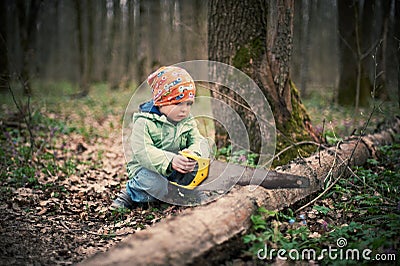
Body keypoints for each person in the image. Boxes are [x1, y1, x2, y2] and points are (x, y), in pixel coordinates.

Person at [111, 66, 209, 209]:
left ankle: (189, 191)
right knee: (155, 185)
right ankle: (130, 193)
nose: (184, 109)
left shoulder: (186, 121)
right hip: (147, 168)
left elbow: (198, 140)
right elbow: (142, 151)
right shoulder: (144, 121)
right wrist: (170, 160)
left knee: (196, 170)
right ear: (161, 101)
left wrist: (194, 154)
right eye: (178, 103)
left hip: (177, 166)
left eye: (189, 104)